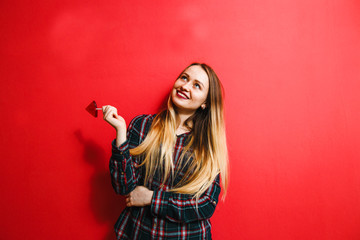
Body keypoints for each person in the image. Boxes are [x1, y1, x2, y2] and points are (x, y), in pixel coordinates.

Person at [102, 63, 229, 239]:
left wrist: (152, 198)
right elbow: (123, 187)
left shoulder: (208, 146)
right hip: (139, 233)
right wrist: (121, 134)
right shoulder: (143, 125)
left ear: (205, 103)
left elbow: (205, 205)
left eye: (196, 85)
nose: (185, 86)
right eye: (184, 78)